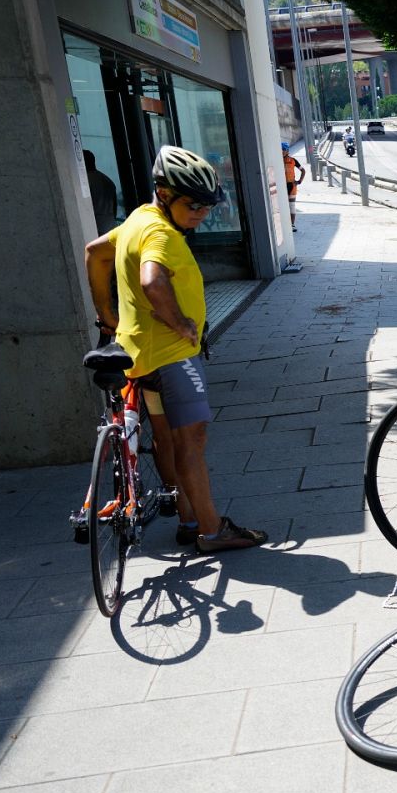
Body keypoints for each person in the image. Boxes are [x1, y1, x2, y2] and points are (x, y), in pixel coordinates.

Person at [82, 145, 268, 553]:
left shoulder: (138, 219)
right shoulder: (161, 234)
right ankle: (212, 530)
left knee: (166, 440)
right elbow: (152, 281)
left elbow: (95, 253)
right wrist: (182, 323)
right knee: (192, 442)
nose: (202, 213)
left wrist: (106, 315)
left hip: (140, 352)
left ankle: (186, 519)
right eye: (194, 205)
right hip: (172, 357)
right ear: (164, 194)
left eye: (209, 205)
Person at [84, 149, 120, 235]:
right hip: (111, 226)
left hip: (97, 228)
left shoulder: (85, 182)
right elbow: (114, 207)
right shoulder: (108, 181)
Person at [281, 142, 305, 233]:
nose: (282, 151)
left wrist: (299, 181)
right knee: (282, 206)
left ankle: (292, 224)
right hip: (282, 186)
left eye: (283, 149)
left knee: (292, 206)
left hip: (292, 185)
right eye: (281, 150)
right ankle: (284, 224)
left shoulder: (293, 160)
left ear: (287, 151)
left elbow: (303, 171)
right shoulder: (277, 160)